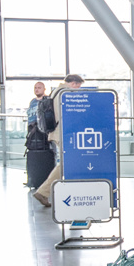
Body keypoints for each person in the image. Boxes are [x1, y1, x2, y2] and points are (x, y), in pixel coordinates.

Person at [32, 74, 84, 207]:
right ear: (73, 83)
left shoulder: (56, 92)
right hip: (63, 133)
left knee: (67, 163)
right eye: (78, 86)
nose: (79, 89)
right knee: (66, 163)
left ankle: (44, 192)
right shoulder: (65, 93)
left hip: (56, 133)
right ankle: (43, 192)